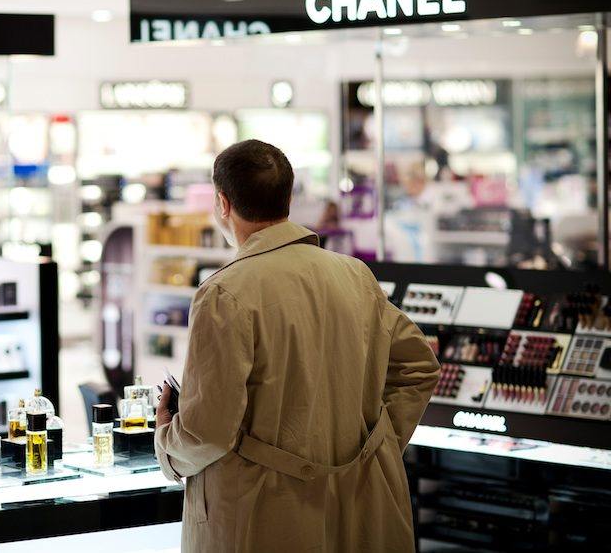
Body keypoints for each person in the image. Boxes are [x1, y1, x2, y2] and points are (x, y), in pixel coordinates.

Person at [154, 139, 440, 552]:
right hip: (356, 505)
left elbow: (208, 431)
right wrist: (376, 449)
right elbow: (419, 367)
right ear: (287, 198)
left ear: (222, 204)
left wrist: (166, 440)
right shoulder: (353, 274)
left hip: (263, 513)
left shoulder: (225, 293)